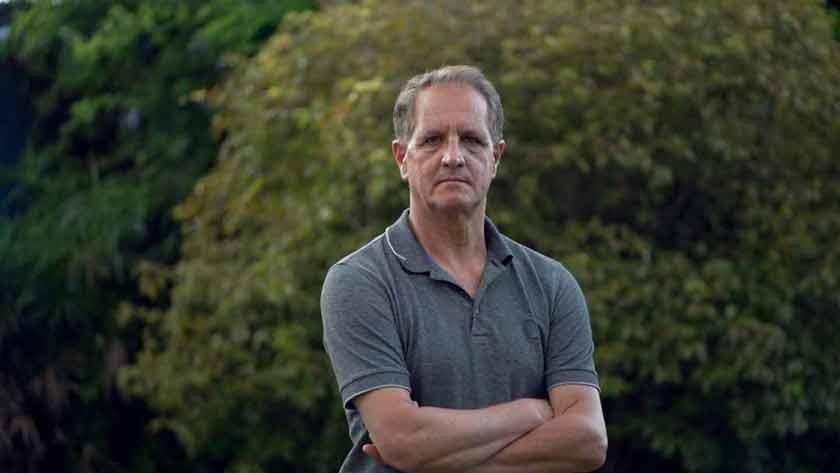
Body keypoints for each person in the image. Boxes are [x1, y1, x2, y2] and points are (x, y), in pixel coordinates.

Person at [321, 65, 607, 473]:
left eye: (472, 140)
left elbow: (587, 442)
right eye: (433, 140)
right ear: (402, 157)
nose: (452, 156)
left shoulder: (551, 284)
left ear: (496, 157)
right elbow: (403, 440)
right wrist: (529, 413)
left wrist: (434, 459)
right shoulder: (360, 281)